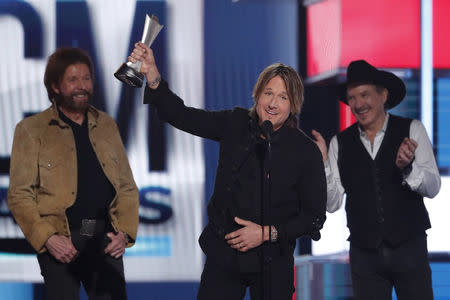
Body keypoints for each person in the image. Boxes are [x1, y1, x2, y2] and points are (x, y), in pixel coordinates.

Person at [128, 42, 326, 300]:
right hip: (225, 254)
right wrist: (153, 76)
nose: (273, 103)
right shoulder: (235, 123)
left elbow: (313, 217)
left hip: (273, 262)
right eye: (268, 93)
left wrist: (266, 233)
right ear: (257, 95)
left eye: (283, 97)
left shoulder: (305, 151)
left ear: (293, 105)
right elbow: (182, 116)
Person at [8, 47, 139, 300]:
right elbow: (19, 195)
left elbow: (126, 187)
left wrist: (124, 233)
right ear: (55, 86)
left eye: (87, 78)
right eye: (73, 79)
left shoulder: (107, 125)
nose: (82, 86)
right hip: (60, 241)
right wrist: (47, 239)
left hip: (104, 238)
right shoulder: (31, 130)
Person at [312, 60, 441, 300]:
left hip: (409, 250)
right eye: (352, 98)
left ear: (383, 95)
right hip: (365, 257)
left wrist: (408, 168)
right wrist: (323, 165)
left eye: (364, 95)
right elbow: (332, 204)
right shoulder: (339, 143)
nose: (358, 104)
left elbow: (433, 187)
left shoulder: (412, 129)